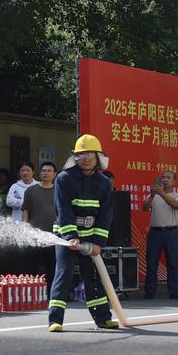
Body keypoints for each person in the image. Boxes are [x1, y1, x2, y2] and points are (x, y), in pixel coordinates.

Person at [47, 134, 118, 332]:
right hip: (65, 234)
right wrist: (71, 237)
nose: (86, 158)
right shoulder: (64, 178)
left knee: (94, 277)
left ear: (97, 157)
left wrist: (97, 243)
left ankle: (103, 318)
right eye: (81, 154)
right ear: (75, 157)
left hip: (91, 235)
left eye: (89, 154)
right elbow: (63, 210)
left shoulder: (104, 183)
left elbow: (106, 215)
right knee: (64, 274)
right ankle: (55, 320)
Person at [142, 170, 178, 299]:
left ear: (174, 181)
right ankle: (150, 291)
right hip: (155, 232)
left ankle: (173, 291)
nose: (165, 179)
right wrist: (152, 195)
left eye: (168, 178)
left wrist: (161, 193)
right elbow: (144, 207)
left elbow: (175, 205)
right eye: (163, 177)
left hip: (171, 232)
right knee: (152, 262)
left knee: (172, 262)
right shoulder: (155, 195)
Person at [22, 161, 57, 290]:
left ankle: (51, 293)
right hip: (34, 235)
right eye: (44, 170)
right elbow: (26, 210)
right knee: (32, 266)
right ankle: (31, 292)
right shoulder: (31, 190)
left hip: (53, 236)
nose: (46, 173)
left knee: (52, 266)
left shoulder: (59, 191)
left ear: (54, 174)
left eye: (49, 171)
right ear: (39, 173)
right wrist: (24, 229)